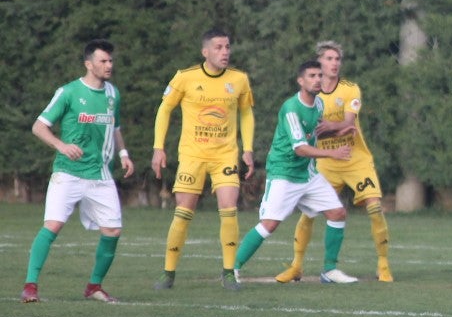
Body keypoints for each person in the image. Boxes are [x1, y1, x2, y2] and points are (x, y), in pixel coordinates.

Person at [21, 38, 135, 303]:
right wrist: (61, 146)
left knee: (112, 231)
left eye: (110, 60)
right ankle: (30, 285)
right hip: (68, 173)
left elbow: (115, 127)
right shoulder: (69, 92)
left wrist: (124, 155)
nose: (109, 65)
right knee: (52, 225)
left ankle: (94, 286)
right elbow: (39, 126)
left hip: (101, 174)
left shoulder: (113, 94)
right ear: (89, 64)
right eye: (103, 61)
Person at [275, 41, 393, 284]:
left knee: (374, 207)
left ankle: (383, 265)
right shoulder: (311, 96)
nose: (334, 63)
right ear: (319, 63)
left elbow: (349, 122)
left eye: (337, 59)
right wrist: (335, 130)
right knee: (308, 214)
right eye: (329, 59)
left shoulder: (350, 89)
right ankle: (296, 266)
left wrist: (332, 126)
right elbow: (308, 132)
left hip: (354, 158)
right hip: (326, 161)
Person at [231, 59, 357, 285]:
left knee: (337, 213)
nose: (317, 80)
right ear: (300, 81)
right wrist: (333, 153)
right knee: (269, 224)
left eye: (320, 76)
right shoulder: (291, 108)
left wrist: (339, 133)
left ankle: (329, 271)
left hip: (307, 173)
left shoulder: (319, 104)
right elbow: (300, 148)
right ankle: (233, 268)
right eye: (312, 76)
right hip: (284, 173)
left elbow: (313, 133)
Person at [151, 27, 255, 291]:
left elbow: (246, 113)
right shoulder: (185, 77)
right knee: (183, 212)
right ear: (205, 51)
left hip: (225, 155)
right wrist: (158, 148)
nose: (225, 52)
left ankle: (229, 273)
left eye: (227, 47)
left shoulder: (239, 79)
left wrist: (247, 148)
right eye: (218, 47)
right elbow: (165, 109)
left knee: (229, 208)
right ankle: (168, 273)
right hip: (192, 155)